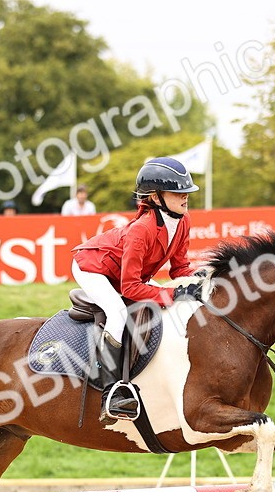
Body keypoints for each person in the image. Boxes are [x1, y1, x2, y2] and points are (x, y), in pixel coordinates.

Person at [71, 157, 204, 421]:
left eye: (186, 191)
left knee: (170, 302)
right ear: (155, 197)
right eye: (177, 192)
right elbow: (131, 287)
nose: (185, 196)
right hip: (92, 267)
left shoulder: (183, 220)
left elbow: (180, 269)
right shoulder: (142, 230)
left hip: (123, 273)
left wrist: (201, 281)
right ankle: (111, 391)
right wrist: (173, 294)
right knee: (118, 312)